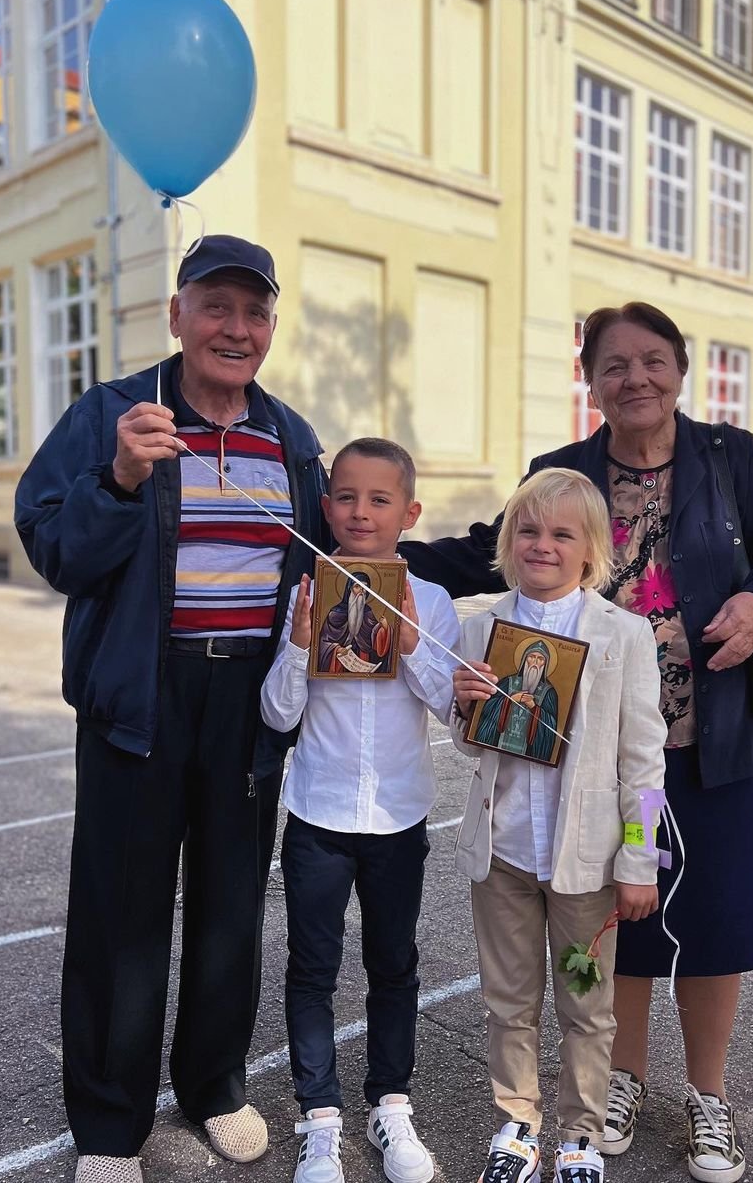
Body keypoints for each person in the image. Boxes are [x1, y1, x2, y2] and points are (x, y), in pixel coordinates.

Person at [402, 302, 753, 1183]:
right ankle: (618, 1079)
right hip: (587, 748)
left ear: (680, 368)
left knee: (717, 917)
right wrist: (380, 550)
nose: (636, 378)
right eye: (615, 364)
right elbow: (497, 552)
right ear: (589, 379)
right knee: (607, 918)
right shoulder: (562, 471)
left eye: (653, 360)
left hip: (708, 737)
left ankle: (707, 1095)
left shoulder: (729, 458)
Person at [15, 236, 333, 1183]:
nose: (237, 329)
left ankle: (214, 1086)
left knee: (233, 903)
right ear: (178, 315)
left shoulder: (291, 437)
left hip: (245, 700)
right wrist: (117, 481)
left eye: (255, 312)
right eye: (218, 307)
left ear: (270, 326)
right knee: (121, 910)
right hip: (140, 695)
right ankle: (112, 1126)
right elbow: (51, 546)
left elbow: (328, 560)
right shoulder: (115, 414)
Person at [449, 468, 668, 1183]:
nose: (542, 545)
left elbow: (643, 763)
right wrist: (467, 705)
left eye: (562, 534)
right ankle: (517, 1124)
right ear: (510, 540)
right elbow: (470, 745)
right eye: (529, 530)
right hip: (505, 851)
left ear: (590, 550)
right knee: (508, 1002)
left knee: (586, 1006)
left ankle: (579, 1133)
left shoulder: (624, 635)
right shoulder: (481, 628)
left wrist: (639, 860)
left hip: (588, 863)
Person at [261, 438, 460, 1183]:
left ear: (408, 512)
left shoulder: (432, 599)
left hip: (398, 817)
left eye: (379, 500)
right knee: (312, 966)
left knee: (393, 963)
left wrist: (410, 644)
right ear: (326, 506)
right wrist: (300, 647)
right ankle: (319, 1115)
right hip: (318, 813)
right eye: (345, 497)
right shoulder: (307, 592)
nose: (360, 512)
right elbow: (279, 719)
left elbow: (449, 705)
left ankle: (391, 1103)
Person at [473, 638, 560, 761]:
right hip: (499, 746)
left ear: (545, 664)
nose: (535, 662)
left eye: (540, 659)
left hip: (528, 752)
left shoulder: (548, 693)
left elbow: (551, 726)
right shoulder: (508, 682)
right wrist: (510, 700)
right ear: (525, 659)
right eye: (532, 657)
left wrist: (534, 708)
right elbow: (488, 707)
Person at [317, 569, 392, 674]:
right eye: (357, 586)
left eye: (365, 587)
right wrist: (337, 649)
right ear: (350, 589)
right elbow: (323, 642)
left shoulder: (367, 612)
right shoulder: (336, 614)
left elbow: (374, 636)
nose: (361, 591)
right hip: (341, 661)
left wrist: (384, 628)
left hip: (363, 659)